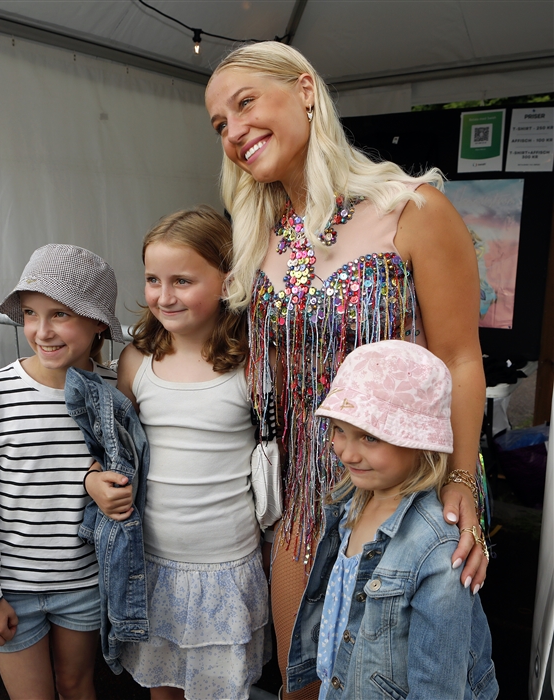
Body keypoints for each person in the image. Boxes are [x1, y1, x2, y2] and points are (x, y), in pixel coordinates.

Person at [205, 42, 488, 698]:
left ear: (305, 90)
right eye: (219, 123)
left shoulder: (412, 208)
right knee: (301, 683)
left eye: (244, 102)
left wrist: (465, 484)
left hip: (404, 503)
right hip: (305, 509)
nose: (233, 130)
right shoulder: (260, 234)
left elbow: (461, 360)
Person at [85, 205, 270, 700]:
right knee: (161, 687)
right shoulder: (136, 361)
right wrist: (94, 478)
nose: (163, 296)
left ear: (228, 280)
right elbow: (112, 445)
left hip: (226, 563)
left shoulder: (251, 364)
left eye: (182, 281)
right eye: (152, 279)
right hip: (152, 562)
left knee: (219, 691)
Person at [0, 244, 125, 700]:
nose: (41, 330)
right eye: (31, 313)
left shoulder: (113, 398)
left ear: (98, 323)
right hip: (11, 588)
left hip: (84, 584)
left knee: (77, 685)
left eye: (60, 314)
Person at [287, 340, 497, 699]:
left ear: (419, 440)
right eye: (339, 430)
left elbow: (438, 686)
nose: (348, 452)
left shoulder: (440, 549)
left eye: (370, 437)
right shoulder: (351, 501)